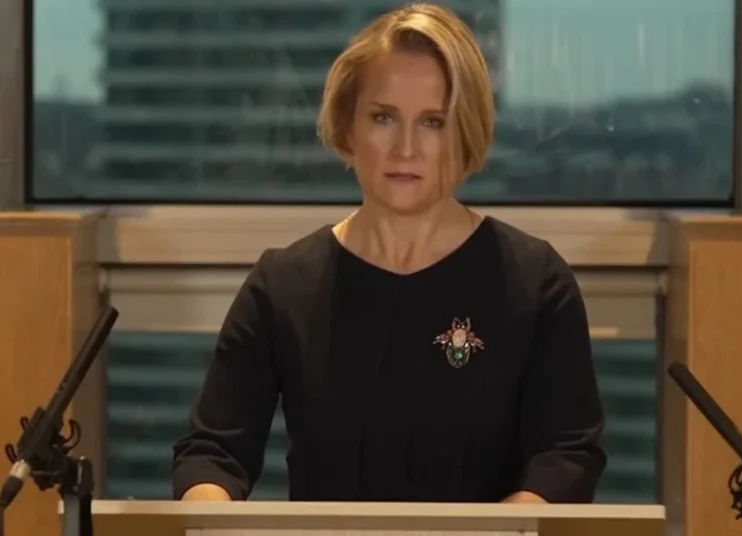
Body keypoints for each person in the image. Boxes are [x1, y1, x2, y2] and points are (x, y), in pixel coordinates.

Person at [172, 2, 606, 504]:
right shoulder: (283, 284)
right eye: (383, 117)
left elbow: (567, 454)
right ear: (347, 126)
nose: (405, 148)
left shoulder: (535, 282)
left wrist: (506, 528)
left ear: (466, 131)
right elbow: (212, 452)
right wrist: (209, 511)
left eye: (433, 122)